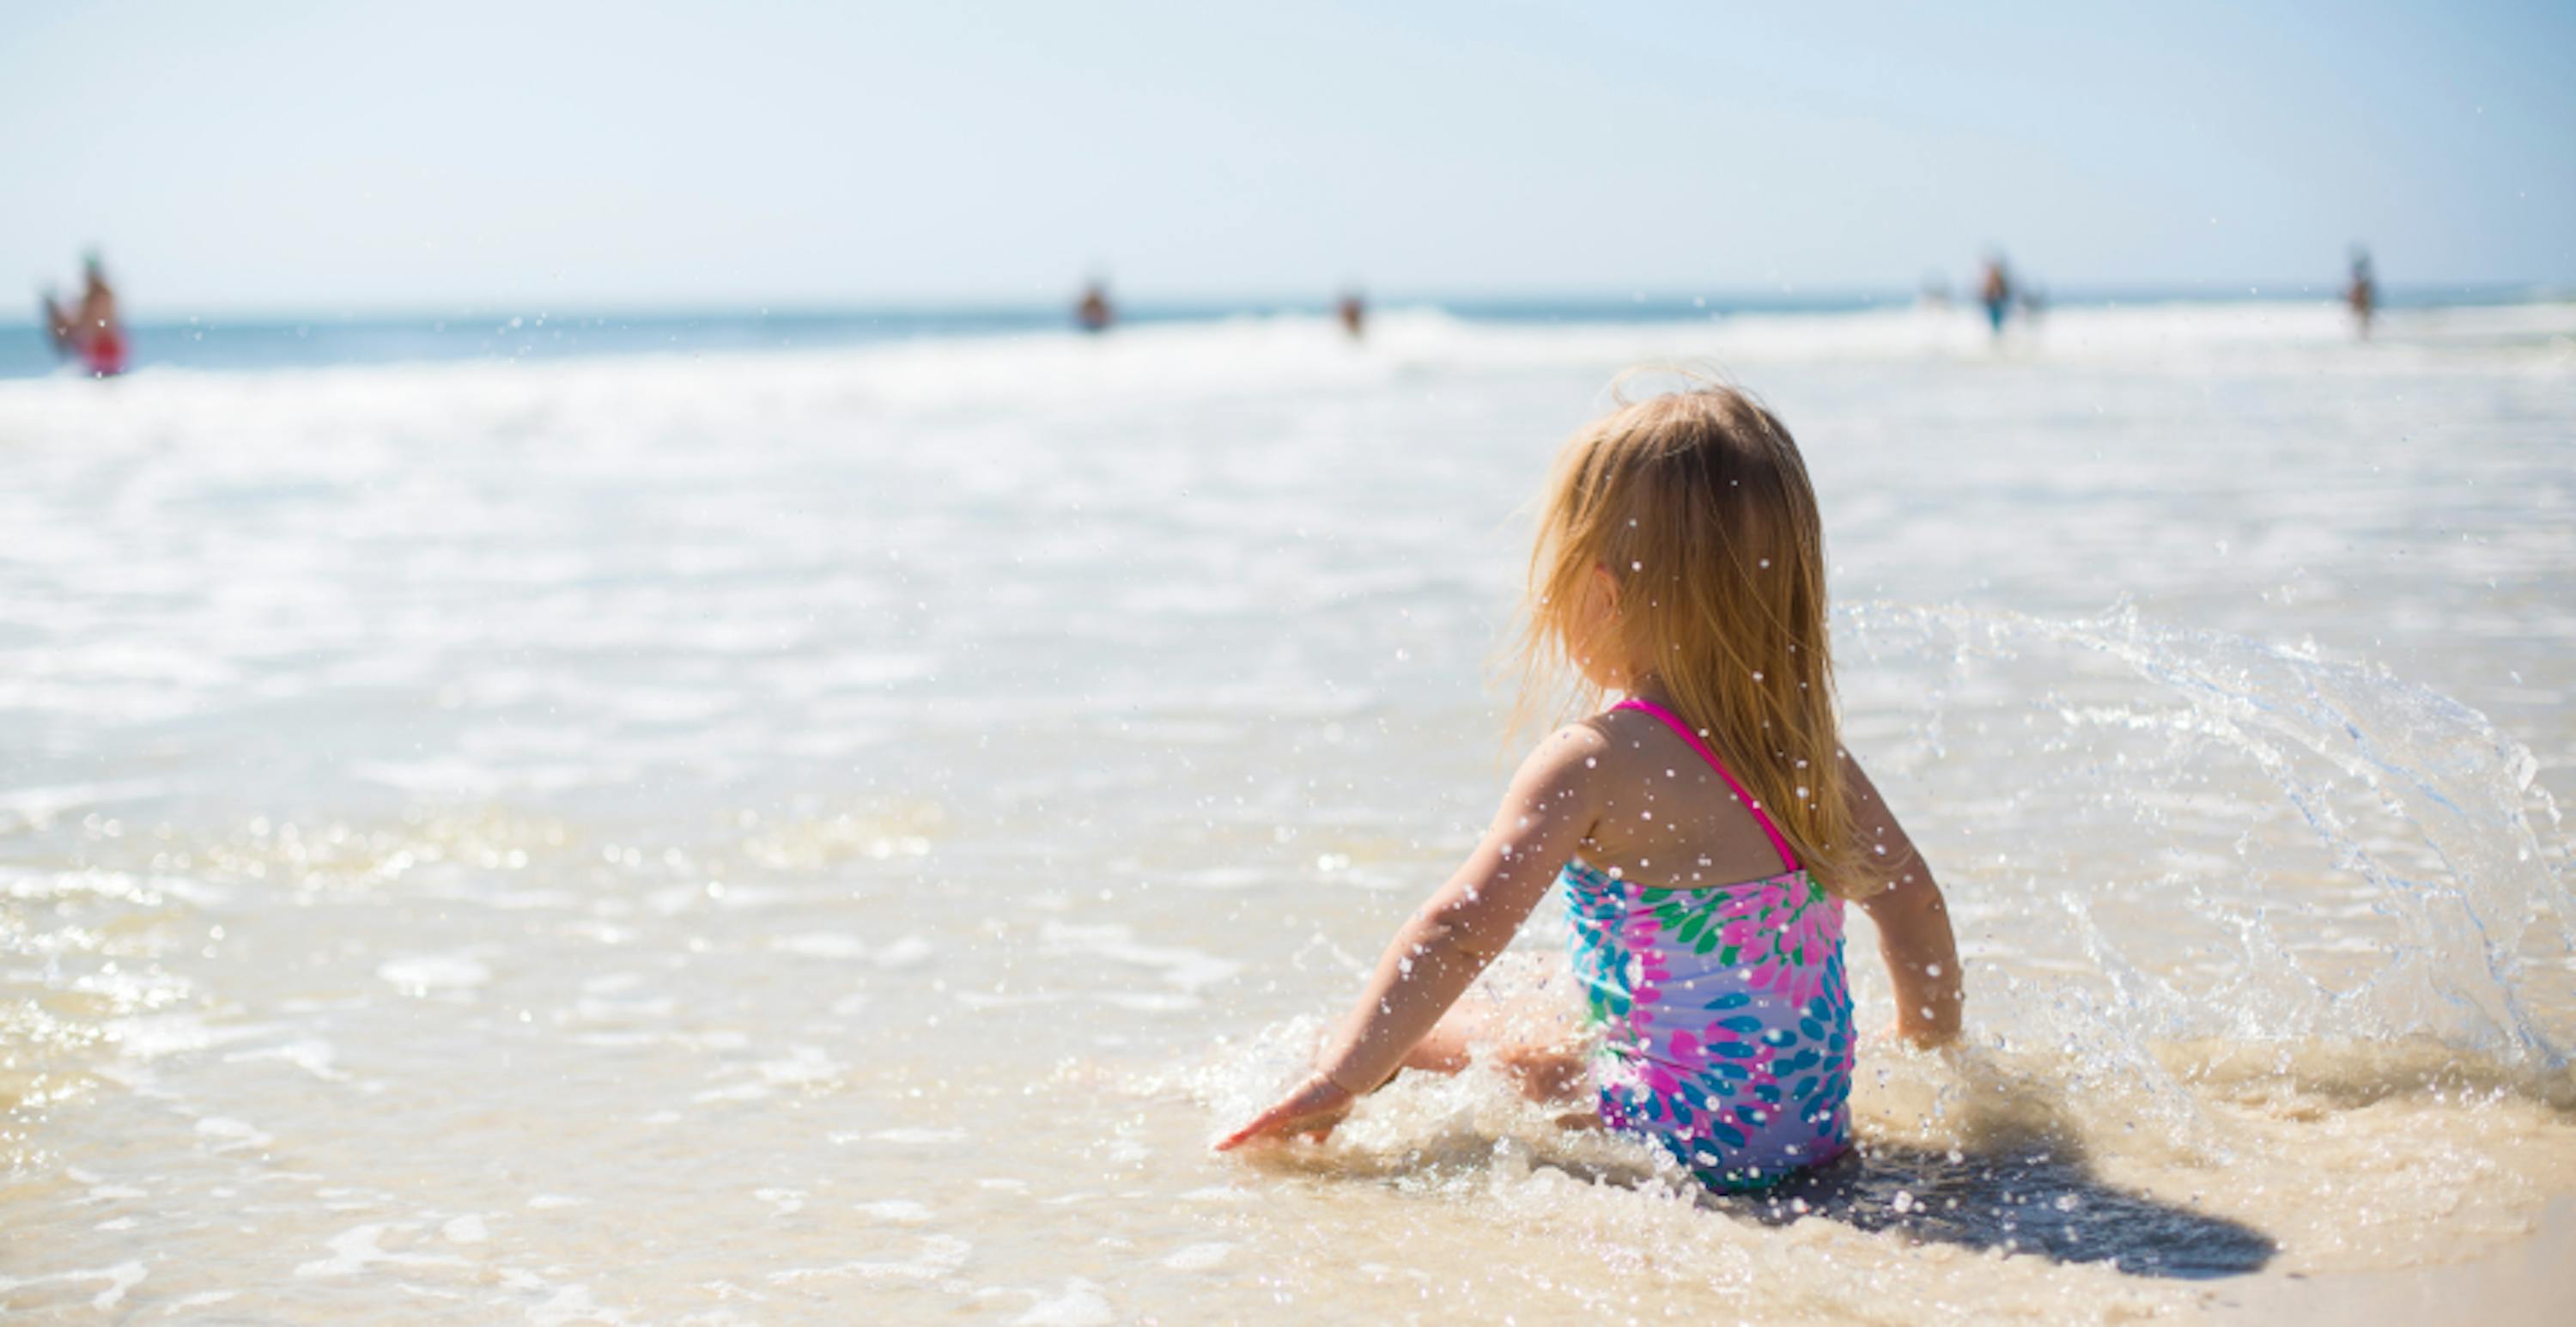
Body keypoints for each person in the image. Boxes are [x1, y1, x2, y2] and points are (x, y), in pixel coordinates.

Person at [1214, 382, 1964, 1195]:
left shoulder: (1595, 759)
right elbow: (1913, 903)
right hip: (1809, 1140)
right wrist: (1930, 1054)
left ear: (1602, 593)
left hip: (1669, 1141)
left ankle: (1264, 1089)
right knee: (1545, 982)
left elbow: (1458, 931)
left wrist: (1343, 1076)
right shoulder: (1812, 756)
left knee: (1418, 1040)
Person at [39, 252, 128, 377]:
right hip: (102, 353)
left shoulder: (99, 295)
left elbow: (93, 323)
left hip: (105, 351)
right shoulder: (94, 296)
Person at [1977, 253, 2012, 338]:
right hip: (1993, 303)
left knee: (1997, 320)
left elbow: (2005, 291)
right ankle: (1995, 334)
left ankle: (1997, 334)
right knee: (1994, 320)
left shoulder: (1999, 279)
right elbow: (1986, 292)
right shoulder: (1991, 279)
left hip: (1998, 303)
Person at [2346, 247, 2376, 340]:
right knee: (2361, 323)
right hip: (2361, 305)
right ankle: (2361, 338)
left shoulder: (2363, 283)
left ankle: (2362, 337)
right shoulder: (2362, 284)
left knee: (2363, 323)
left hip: (2363, 305)